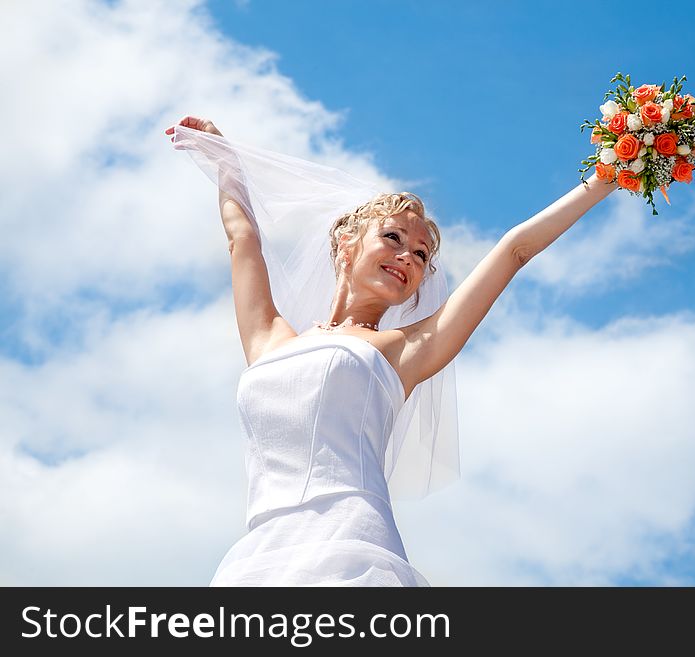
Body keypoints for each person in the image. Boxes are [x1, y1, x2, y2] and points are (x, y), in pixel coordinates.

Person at [165, 116, 617, 586]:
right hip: (261, 554)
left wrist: (609, 173)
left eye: (421, 255)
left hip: (351, 546)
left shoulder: (404, 350)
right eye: (394, 238)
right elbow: (243, 239)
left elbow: (514, 251)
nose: (408, 257)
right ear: (346, 243)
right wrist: (226, 163)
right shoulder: (268, 338)